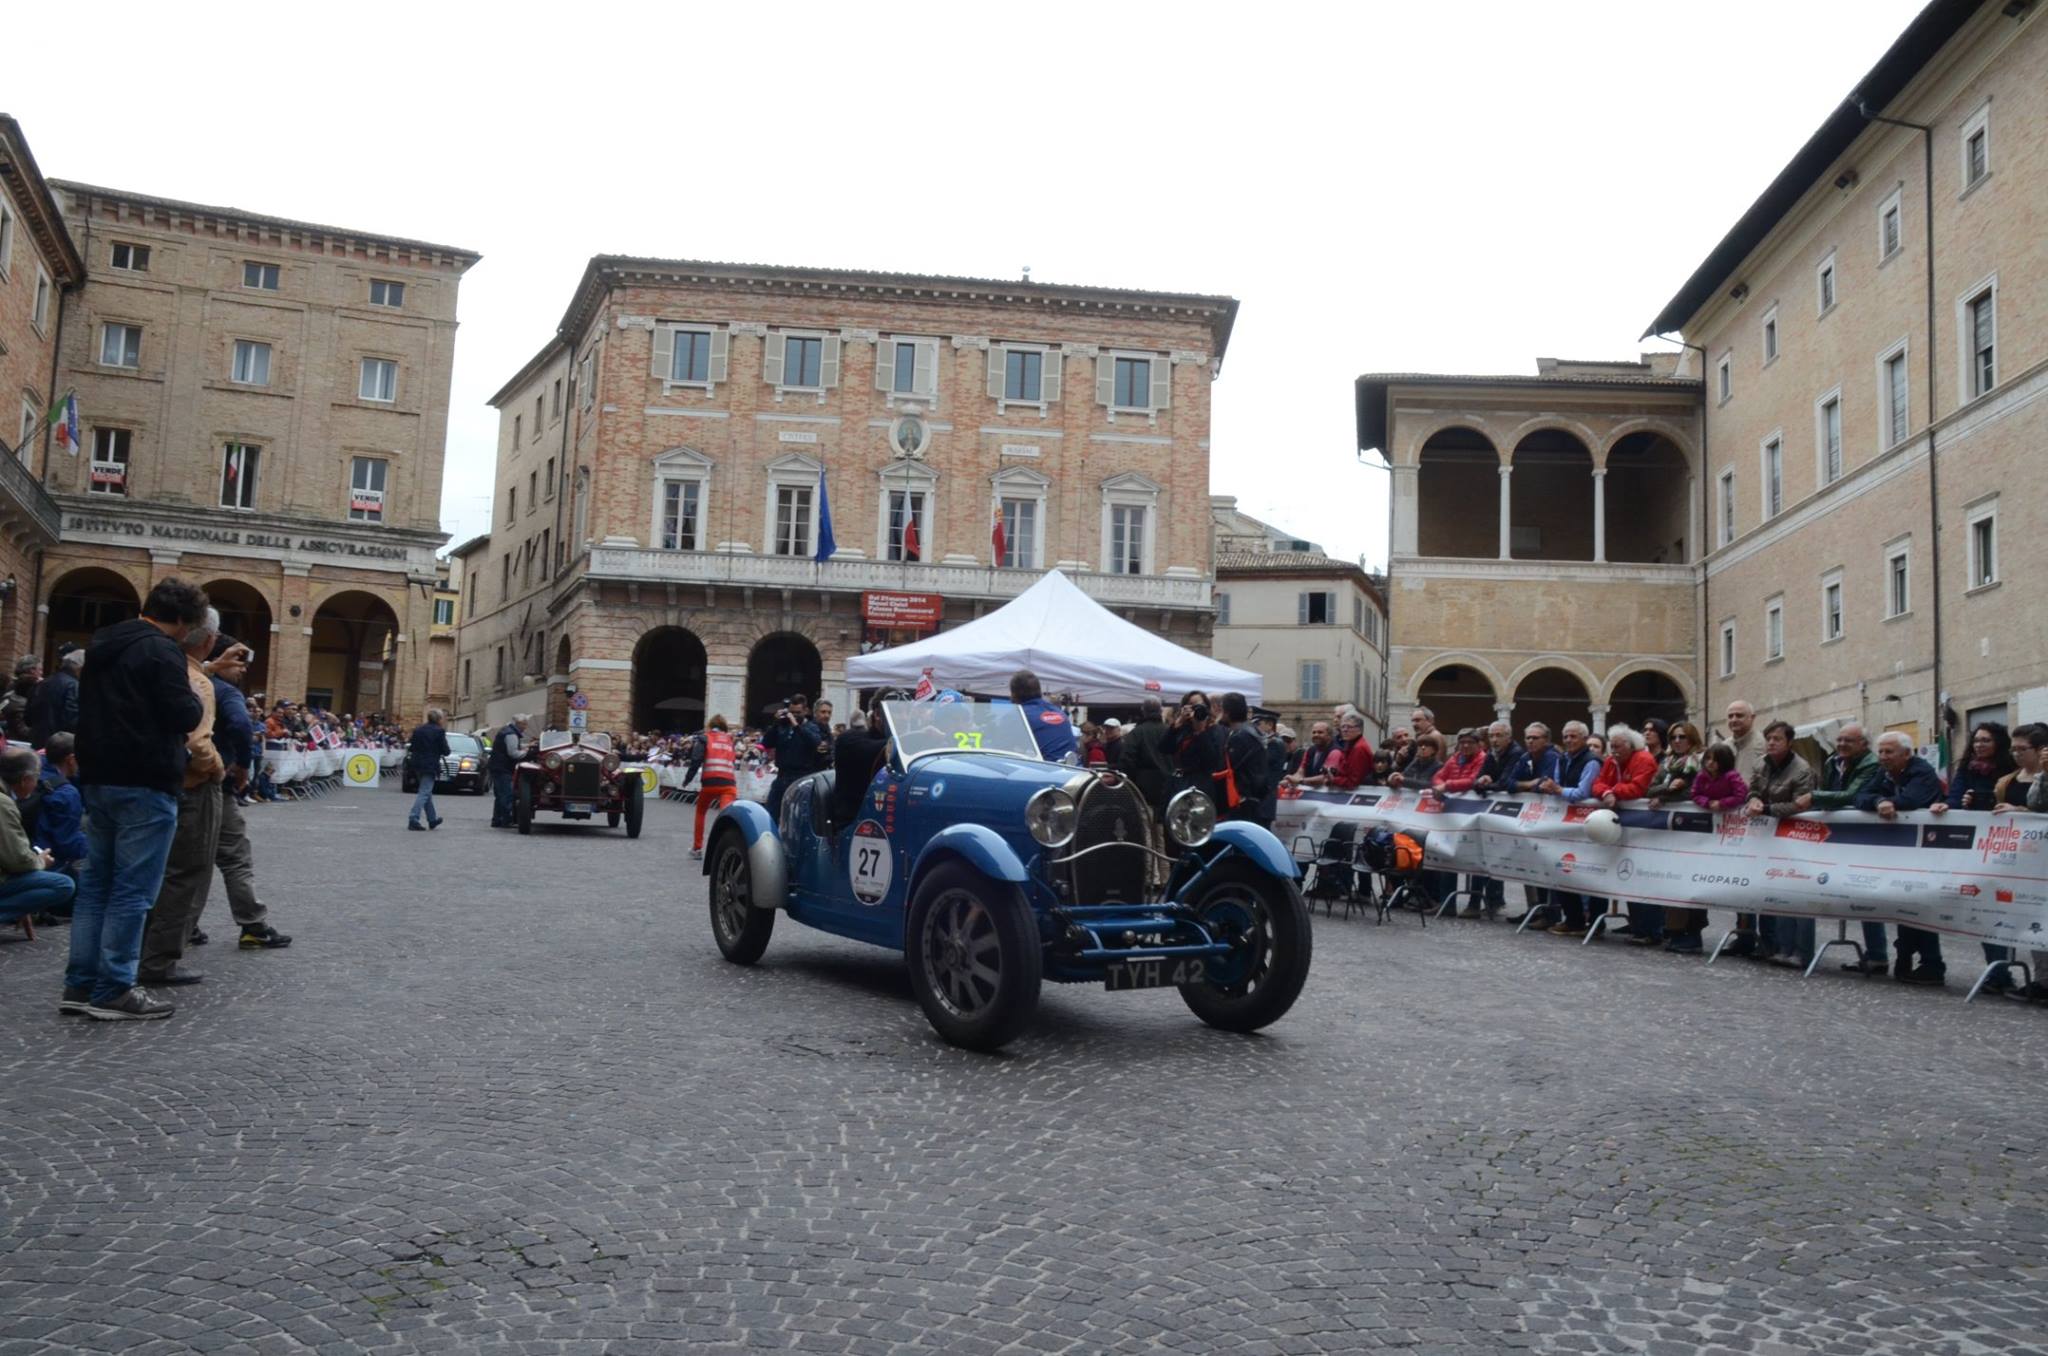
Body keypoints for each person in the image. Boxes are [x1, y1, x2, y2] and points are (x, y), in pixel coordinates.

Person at [63, 578, 209, 1021]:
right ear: (182, 621)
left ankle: (80, 984)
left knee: (95, 888)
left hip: (98, 775)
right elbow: (184, 712)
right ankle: (114, 988)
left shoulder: (103, 641)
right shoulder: (162, 650)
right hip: (145, 777)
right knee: (132, 891)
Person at [134, 610, 232, 991]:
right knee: (186, 874)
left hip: (147, 781)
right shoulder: (199, 684)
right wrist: (218, 766)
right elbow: (195, 742)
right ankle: (158, 961)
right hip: (192, 785)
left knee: (146, 874)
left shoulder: (158, 668)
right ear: (207, 640)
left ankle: (131, 954)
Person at [202, 638, 289, 952]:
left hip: (182, 781)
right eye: (238, 662)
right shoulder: (225, 692)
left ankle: (183, 927)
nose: (243, 669)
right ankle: (253, 925)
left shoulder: (190, 683)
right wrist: (241, 764)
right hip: (215, 783)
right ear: (220, 658)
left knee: (188, 861)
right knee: (235, 857)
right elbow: (240, 724)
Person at [1856, 731, 1950, 984]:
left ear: (1907, 754)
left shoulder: (1922, 772)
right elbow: (1861, 796)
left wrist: (1887, 801)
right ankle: (1905, 959)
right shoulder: (1882, 771)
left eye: (1889, 752)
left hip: (1927, 851)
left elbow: (1913, 799)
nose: (1883, 757)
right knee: (1903, 903)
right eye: (1881, 752)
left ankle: (1932, 964)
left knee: (1920, 905)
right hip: (1899, 851)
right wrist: (1879, 801)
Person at [1794, 724, 1886, 973]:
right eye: (1840, 739)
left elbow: (1849, 795)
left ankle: (1878, 954)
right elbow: (1832, 791)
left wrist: (1814, 797)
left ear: (1864, 744)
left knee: (1867, 892)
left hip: (1865, 837)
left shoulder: (1871, 764)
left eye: (1849, 740)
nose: (1842, 744)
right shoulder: (1833, 761)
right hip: (1837, 833)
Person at [1948, 721, 2017, 990]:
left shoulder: (2010, 769)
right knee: (1986, 909)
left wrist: (1982, 800)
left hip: (2008, 846)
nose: (1979, 745)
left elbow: (2010, 799)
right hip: (1977, 846)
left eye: (1986, 740)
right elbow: (1955, 798)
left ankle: (2004, 971)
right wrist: (1956, 804)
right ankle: (1997, 972)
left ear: (1998, 743)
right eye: (1976, 740)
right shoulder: (1966, 767)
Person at [1743, 719, 1818, 965]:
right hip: (1770, 836)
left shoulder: (1801, 768)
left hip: (1798, 834)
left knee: (1800, 894)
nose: (1772, 743)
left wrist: (1765, 808)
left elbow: (1800, 804)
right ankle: (1781, 948)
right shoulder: (1761, 764)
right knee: (1778, 892)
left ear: (1789, 742)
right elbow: (1753, 790)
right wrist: (1753, 799)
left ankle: (1802, 951)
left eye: (1777, 739)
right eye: (1769, 739)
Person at [1591, 723, 1664, 944]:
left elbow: (1639, 788)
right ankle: (1638, 927)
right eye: (1611, 747)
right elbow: (1598, 783)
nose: (1613, 751)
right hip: (1622, 824)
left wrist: (1612, 792)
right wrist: (1605, 791)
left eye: (1617, 747)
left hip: (1644, 826)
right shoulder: (1612, 761)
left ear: (1630, 746)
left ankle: (1651, 930)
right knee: (1629, 874)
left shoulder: (1644, 759)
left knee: (1644, 875)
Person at [0, 747, 76, 929]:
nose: (37, 783)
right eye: (36, 778)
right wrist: (40, 861)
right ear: (25, 779)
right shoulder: (3, 804)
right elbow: (17, 860)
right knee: (63, 885)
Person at [1538, 721, 1602, 934]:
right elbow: (1557, 783)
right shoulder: (1563, 758)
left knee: (1588, 872)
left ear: (1584, 738)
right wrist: (1552, 788)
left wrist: (1557, 790)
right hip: (1564, 823)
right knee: (1563, 868)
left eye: (1573, 736)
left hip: (1586, 823)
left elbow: (1582, 793)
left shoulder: (1591, 761)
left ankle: (1593, 923)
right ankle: (1572, 919)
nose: (1568, 741)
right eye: (1565, 737)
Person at [1648, 721, 1707, 950]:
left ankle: (1693, 933)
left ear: (1692, 739)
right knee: (1671, 879)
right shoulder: (1667, 762)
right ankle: (1675, 930)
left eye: (1682, 737)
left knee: (1691, 881)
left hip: (1695, 829)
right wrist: (1667, 790)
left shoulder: (1700, 761)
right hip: (1670, 832)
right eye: (1673, 737)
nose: (1677, 741)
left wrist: (1668, 794)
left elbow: (1693, 791)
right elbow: (1650, 789)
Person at [31, 732, 87, 891]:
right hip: (48, 861)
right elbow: (68, 844)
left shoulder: (33, 767)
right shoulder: (67, 794)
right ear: (70, 759)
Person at [831, 704, 892, 831]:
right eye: (896, 712)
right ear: (877, 714)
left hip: (884, 818)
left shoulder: (891, 741)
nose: (902, 717)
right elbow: (868, 749)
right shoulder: (850, 740)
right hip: (854, 821)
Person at [764, 693, 822, 820]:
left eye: (798, 712)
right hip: (782, 776)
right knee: (770, 814)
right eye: (792, 712)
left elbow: (814, 742)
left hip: (800, 777)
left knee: (796, 817)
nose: (794, 715)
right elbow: (766, 743)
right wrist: (775, 724)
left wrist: (796, 726)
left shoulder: (811, 727)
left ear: (805, 711)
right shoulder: (782, 727)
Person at [1212, 692, 1268, 824]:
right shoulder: (1252, 731)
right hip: (1251, 797)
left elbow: (1226, 766)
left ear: (1226, 712)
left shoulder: (1239, 736)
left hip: (1241, 799)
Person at [1116, 697, 1174, 823]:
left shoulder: (1137, 733)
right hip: (1168, 785)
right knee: (1164, 826)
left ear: (1143, 710)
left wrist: (1132, 781)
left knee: (1145, 825)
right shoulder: (1170, 731)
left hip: (1142, 788)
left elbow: (1126, 760)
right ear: (1160, 710)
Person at [692, 715, 739, 857]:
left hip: (709, 782)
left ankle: (697, 848)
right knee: (726, 817)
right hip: (728, 783)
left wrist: (688, 778)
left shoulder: (705, 737)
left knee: (701, 812)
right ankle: (723, 848)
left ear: (710, 726)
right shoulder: (730, 740)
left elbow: (696, 759)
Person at [1008, 670, 1078, 764]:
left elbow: (1004, 749)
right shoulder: (1058, 712)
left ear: (1014, 693)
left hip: (1044, 772)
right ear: (1039, 690)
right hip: (1073, 771)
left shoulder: (1018, 715)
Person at [406, 708, 452, 831]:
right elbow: (446, 750)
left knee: (426, 792)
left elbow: (412, 747)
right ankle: (413, 818)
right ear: (438, 719)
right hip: (430, 764)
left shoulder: (418, 730)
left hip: (417, 764)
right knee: (424, 792)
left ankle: (432, 819)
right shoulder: (439, 731)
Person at [27, 645, 82, 748]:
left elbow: (28, 718)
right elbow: (71, 720)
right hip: (60, 746)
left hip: (37, 743)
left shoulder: (41, 683)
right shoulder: (73, 685)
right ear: (79, 668)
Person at [488, 713, 530, 828]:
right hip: (503, 768)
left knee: (500, 795)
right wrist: (527, 752)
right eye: (525, 724)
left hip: (497, 767)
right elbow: (513, 753)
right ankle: (506, 820)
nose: (526, 727)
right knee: (506, 794)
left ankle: (497, 820)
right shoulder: (511, 734)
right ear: (519, 724)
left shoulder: (507, 731)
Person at [1, 654, 41, 742]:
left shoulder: (10, 686)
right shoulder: (29, 687)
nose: (41, 672)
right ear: (32, 670)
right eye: (39, 669)